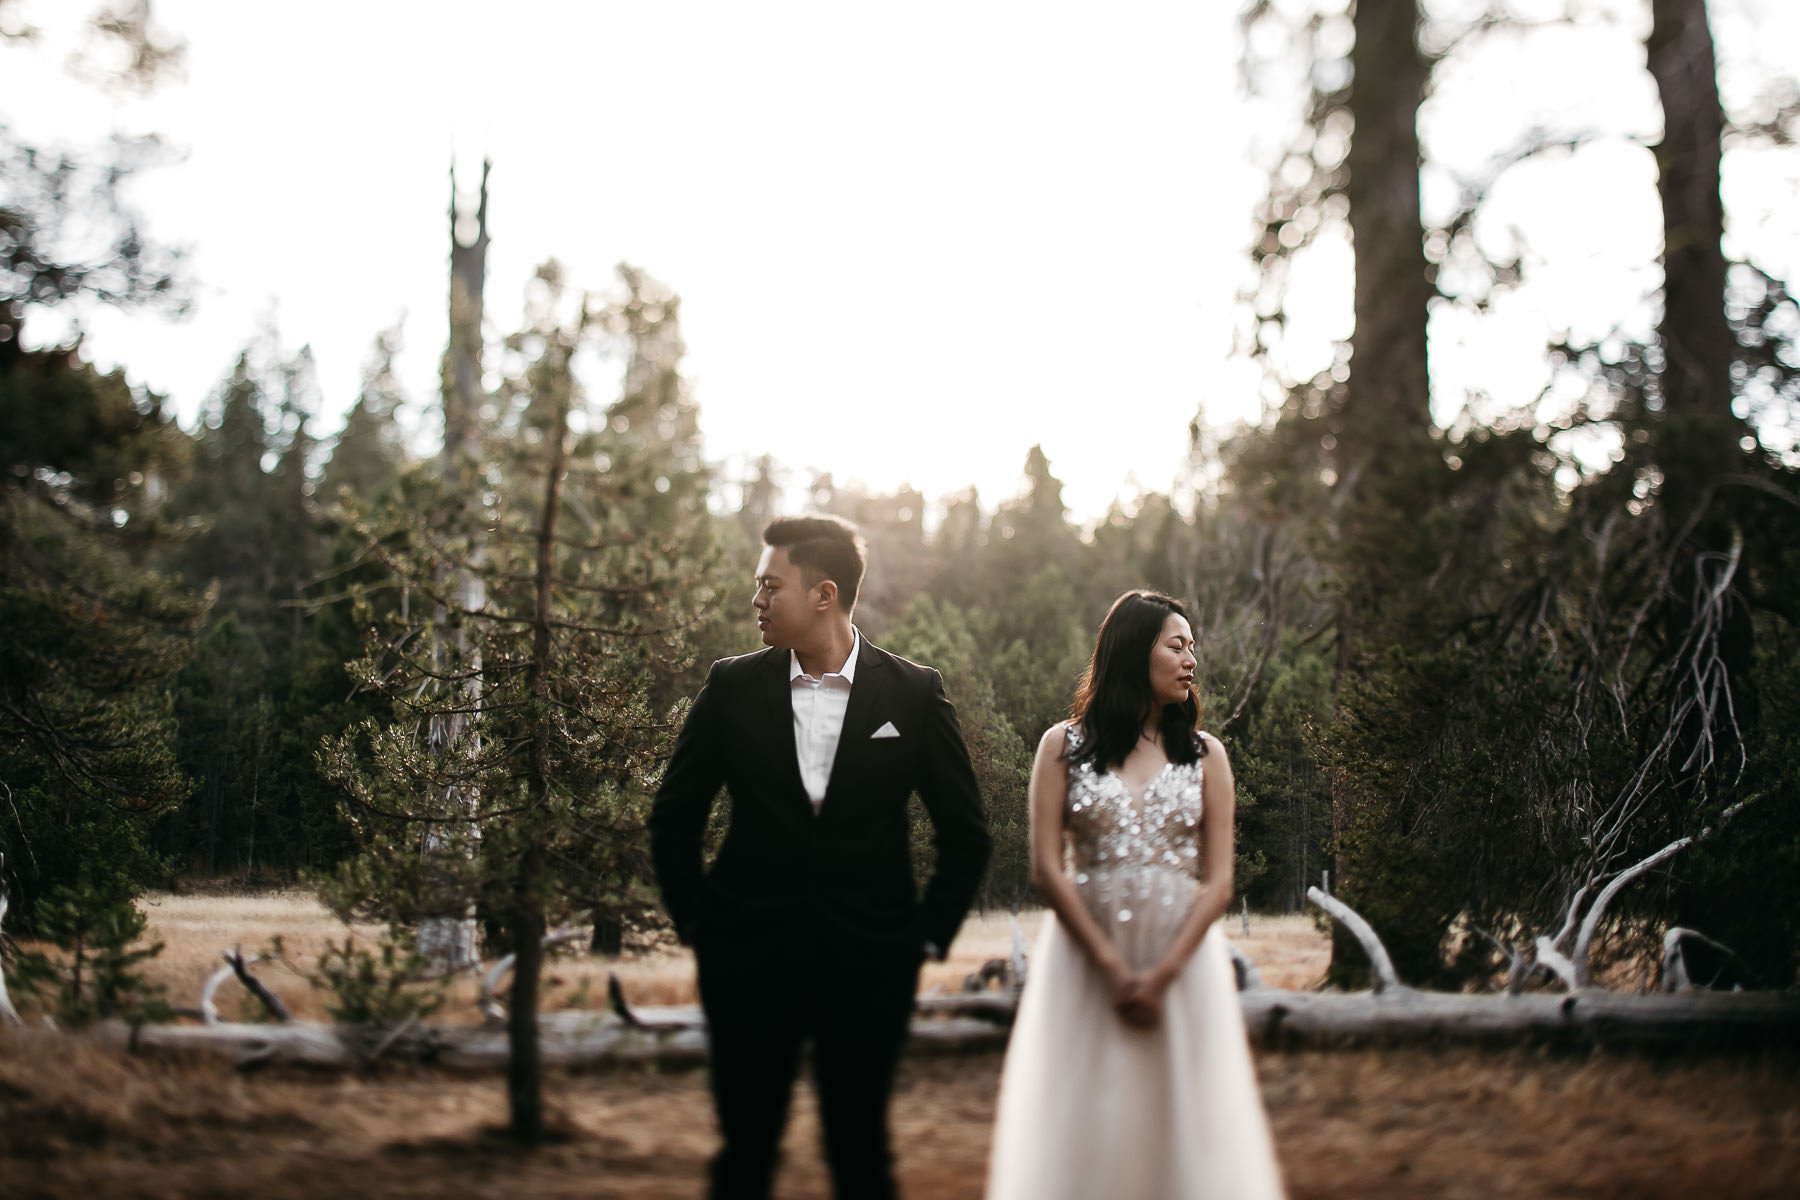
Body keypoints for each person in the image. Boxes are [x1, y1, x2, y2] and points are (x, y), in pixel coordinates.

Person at [650, 514, 991, 1200]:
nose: (757, 599)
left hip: (871, 966)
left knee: (861, 1155)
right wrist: (702, 927)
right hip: (746, 963)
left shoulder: (913, 694)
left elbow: (966, 833)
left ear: (824, 594)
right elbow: (673, 816)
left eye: (770, 586)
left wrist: (923, 938)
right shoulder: (731, 686)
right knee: (744, 1157)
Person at [985, 590, 1285, 1199]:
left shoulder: (1207, 755)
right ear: (1132, 650)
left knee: (1183, 1117)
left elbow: (1219, 882)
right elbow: (1046, 871)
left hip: (1182, 963)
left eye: (1192, 648)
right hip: (1086, 960)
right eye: (1177, 646)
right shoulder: (1061, 746)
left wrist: (1162, 974)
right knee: (1089, 1117)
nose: (1191, 660)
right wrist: (1112, 968)